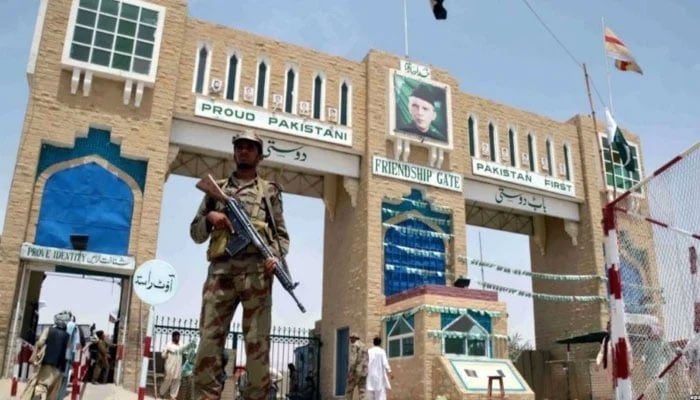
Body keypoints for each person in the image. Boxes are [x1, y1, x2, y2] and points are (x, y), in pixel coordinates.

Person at [191, 130, 290, 400]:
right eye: (240, 146)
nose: (244, 151)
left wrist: (276, 259)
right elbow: (196, 234)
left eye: (250, 147)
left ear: (259, 155)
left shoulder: (270, 192)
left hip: (257, 277)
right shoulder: (217, 189)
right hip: (220, 275)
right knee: (208, 345)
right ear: (234, 152)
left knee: (258, 348)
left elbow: (281, 237)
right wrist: (211, 218)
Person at [21, 311, 73, 400]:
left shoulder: (48, 330)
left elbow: (40, 343)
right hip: (59, 367)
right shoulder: (68, 336)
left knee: (41, 385)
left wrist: (37, 348)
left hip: (46, 363)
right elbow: (68, 353)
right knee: (53, 392)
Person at [160, 331, 184, 400]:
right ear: (173, 337)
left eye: (179, 337)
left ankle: (173, 396)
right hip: (170, 367)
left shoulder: (181, 345)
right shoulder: (168, 345)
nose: (178, 338)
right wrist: (167, 351)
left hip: (178, 367)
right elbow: (163, 355)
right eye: (176, 337)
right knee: (168, 380)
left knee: (177, 381)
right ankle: (162, 393)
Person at [345, 333, 367, 400]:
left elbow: (353, 360)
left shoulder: (354, 345)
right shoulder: (364, 346)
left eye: (351, 338)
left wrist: (350, 373)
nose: (350, 340)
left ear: (354, 338)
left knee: (349, 390)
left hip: (356, 372)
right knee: (362, 391)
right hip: (364, 372)